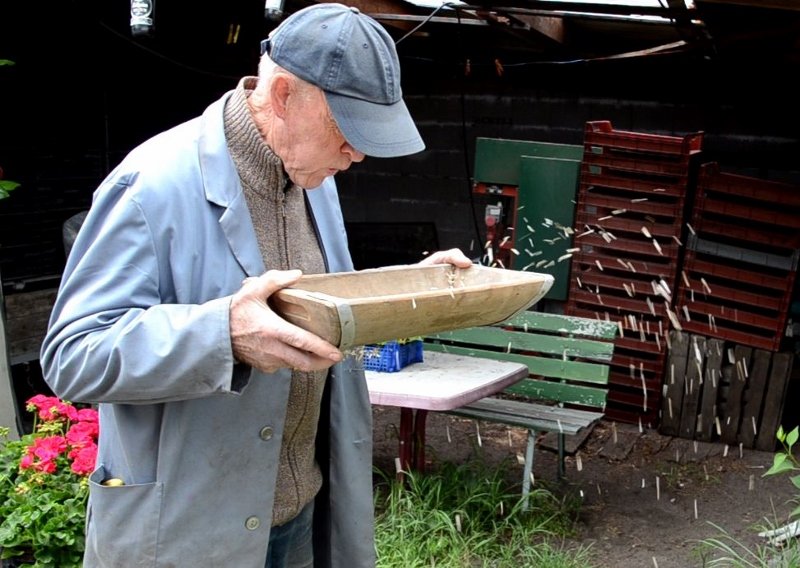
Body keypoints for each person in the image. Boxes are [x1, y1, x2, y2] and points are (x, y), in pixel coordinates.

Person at [40, 4, 471, 567]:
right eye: (347, 129)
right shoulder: (151, 185)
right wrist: (224, 335)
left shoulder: (311, 173)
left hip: (297, 515)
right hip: (188, 532)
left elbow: (310, 301)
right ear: (285, 94)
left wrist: (411, 287)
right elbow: (74, 355)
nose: (358, 153)